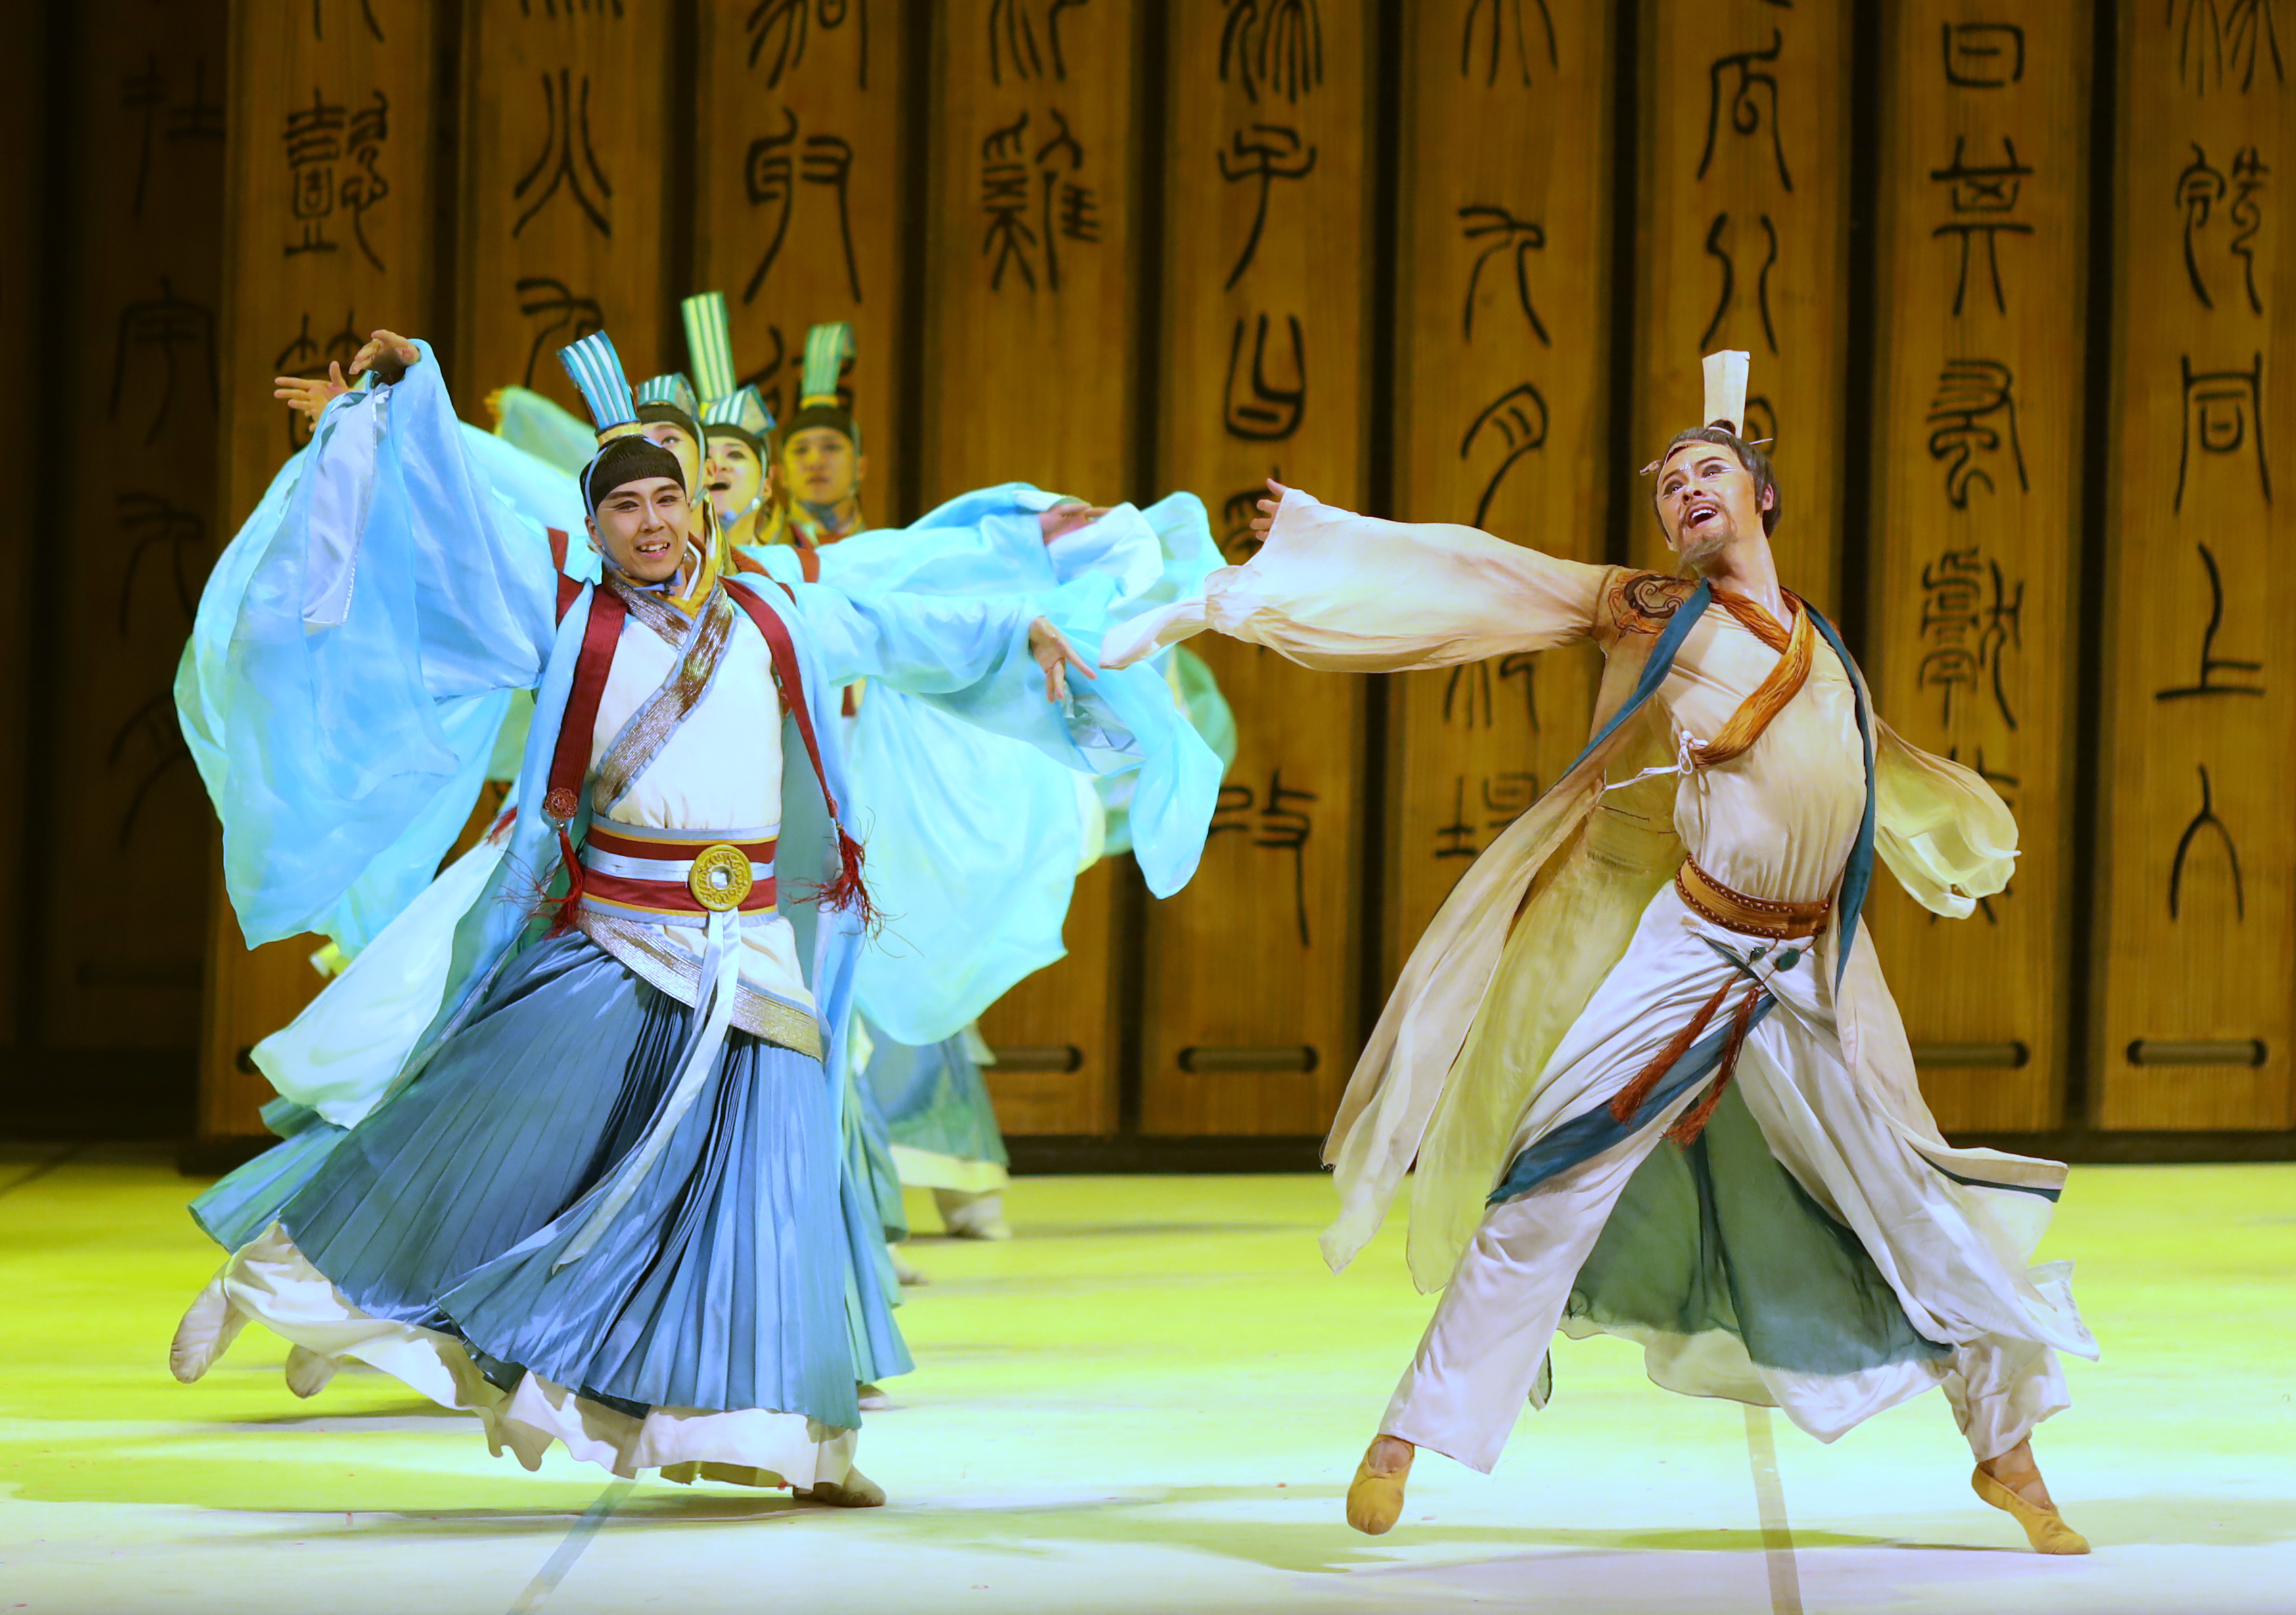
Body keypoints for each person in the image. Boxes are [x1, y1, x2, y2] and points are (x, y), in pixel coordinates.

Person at [1103, 351, 2098, 1555]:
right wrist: (1315, 545)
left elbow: (1853, 770)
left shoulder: (1818, 642)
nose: (1685, 491)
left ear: (1760, 496)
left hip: (1812, 971)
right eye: (1668, 483)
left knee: (1910, 1197)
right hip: (1691, 945)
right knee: (1553, 1167)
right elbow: (1480, 571)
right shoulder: (1646, 609)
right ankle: (1409, 1431)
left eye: (1708, 471)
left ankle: (2005, 1451)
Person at [172, 327, 1162, 1505]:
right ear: (593, 524)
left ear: (704, 503)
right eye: (624, 505)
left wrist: (1019, 630)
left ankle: (805, 1450)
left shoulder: (779, 611)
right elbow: (454, 537)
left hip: (756, 954)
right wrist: (396, 413)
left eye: (669, 496)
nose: (651, 521)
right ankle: (278, 1282)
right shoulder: (566, 616)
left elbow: (911, 629)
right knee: (468, 1130)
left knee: (766, 1209)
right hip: (611, 940)